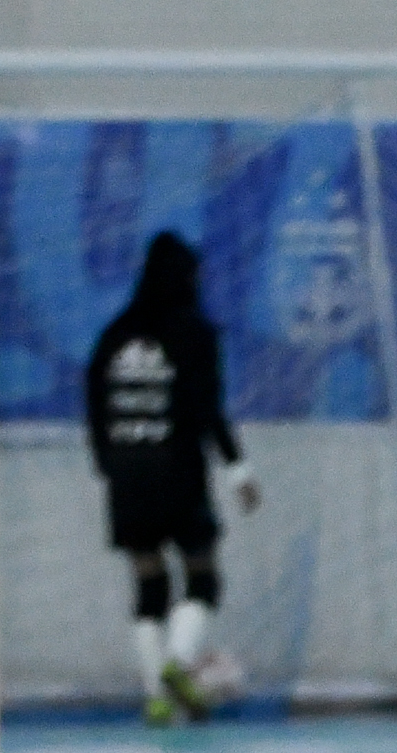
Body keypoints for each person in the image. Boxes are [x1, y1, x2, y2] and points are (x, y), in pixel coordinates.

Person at [87, 231, 258, 726]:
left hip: (126, 475)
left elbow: (94, 407)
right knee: (202, 576)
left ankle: (154, 696)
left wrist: (108, 463)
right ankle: (175, 671)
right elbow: (207, 409)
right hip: (177, 472)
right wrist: (238, 470)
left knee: (148, 584)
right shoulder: (194, 333)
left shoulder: (114, 334)